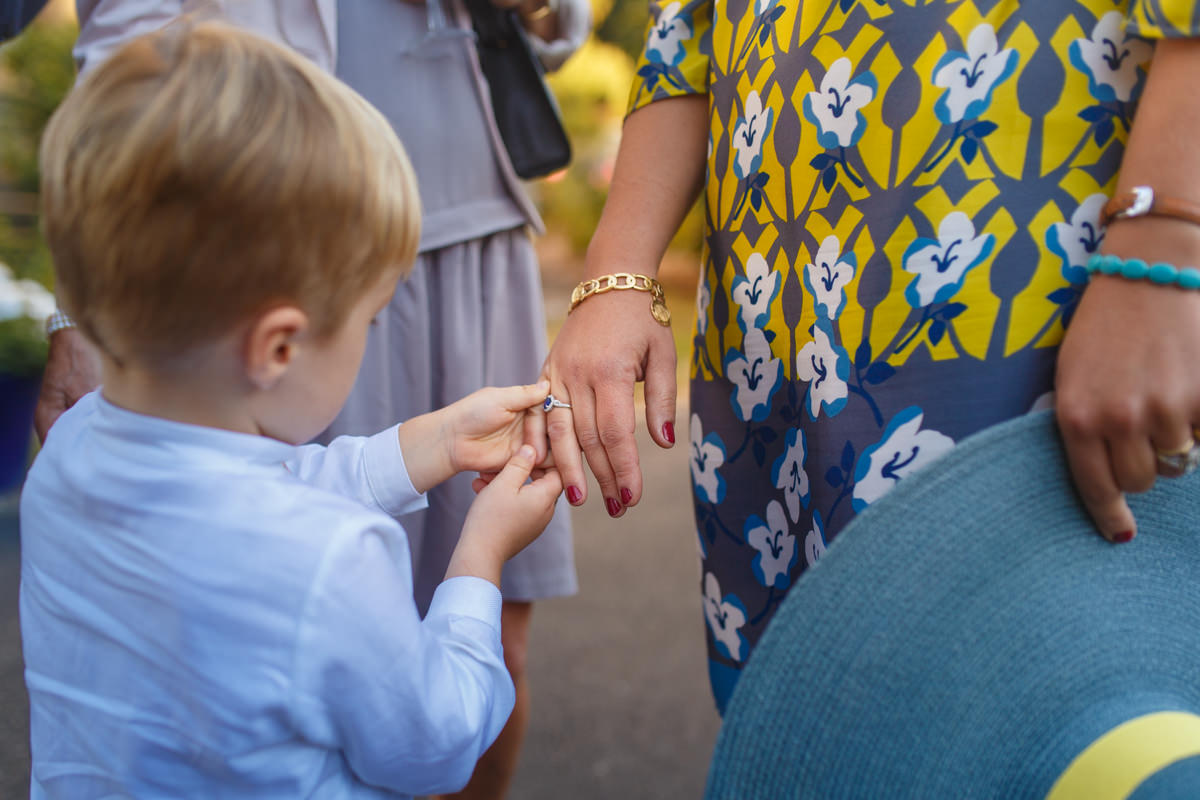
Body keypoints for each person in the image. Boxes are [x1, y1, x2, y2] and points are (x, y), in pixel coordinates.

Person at [540, 1, 1200, 712]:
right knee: (823, 730)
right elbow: (689, 26)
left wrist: (1165, 237)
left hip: (1017, 266)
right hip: (771, 323)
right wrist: (616, 276)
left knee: (1035, 717)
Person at [41, 2, 590, 795]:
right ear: (279, 346)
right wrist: (477, 558)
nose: (371, 335)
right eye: (369, 320)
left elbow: (253, 494)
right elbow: (433, 743)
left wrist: (429, 445)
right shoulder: (338, 562)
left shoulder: (73, 458)